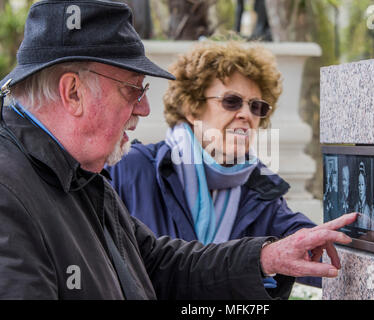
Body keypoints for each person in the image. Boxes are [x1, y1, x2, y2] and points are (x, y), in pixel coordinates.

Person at [0, 0, 356, 299]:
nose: (144, 108)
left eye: (258, 107)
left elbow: (157, 264)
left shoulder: (81, 176)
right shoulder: (11, 190)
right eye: (133, 90)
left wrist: (267, 257)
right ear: (73, 92)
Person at [107, 41, 321, 287]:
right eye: (232, 101)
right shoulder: (129, 168)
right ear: (191, 108)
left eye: (256, 106)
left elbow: (310, 249)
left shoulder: (262, 190)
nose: (246, 114)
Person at [353, 161, 371, 230]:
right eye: (359, 185)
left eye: (362, 185)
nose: (360, 188)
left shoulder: (368, 209)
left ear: (365, 186)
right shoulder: (356, 206)